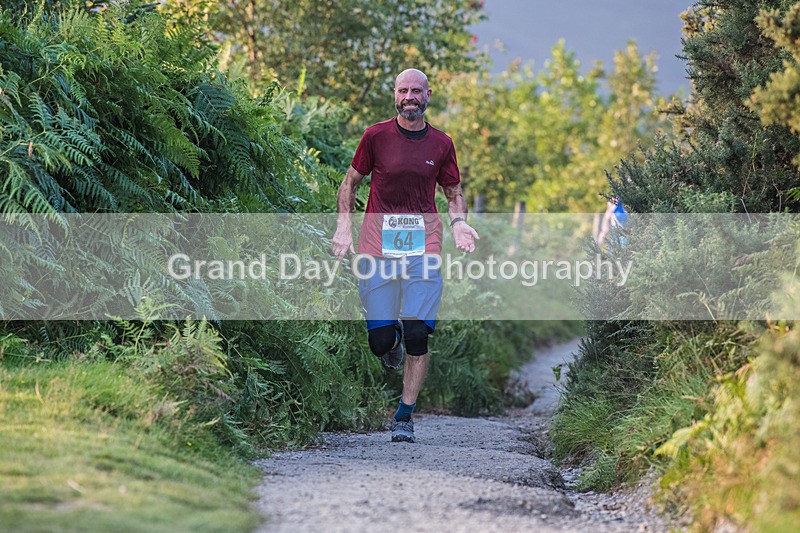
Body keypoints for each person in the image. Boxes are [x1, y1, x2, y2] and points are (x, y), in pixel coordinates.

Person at [331, 68, 479, 443]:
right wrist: (343, 227)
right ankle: (390, 340)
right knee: (381, 342)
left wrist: (459, 223)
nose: (410, 96)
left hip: (423, 243)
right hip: (377, 245)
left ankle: (404, 415)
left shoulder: (442, 144)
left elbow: (453, 192)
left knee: (417, 330)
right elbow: (349, 183)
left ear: (428, 94)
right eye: (403, 90)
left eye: (416, 90)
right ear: (395, 95)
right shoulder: (375, 137)